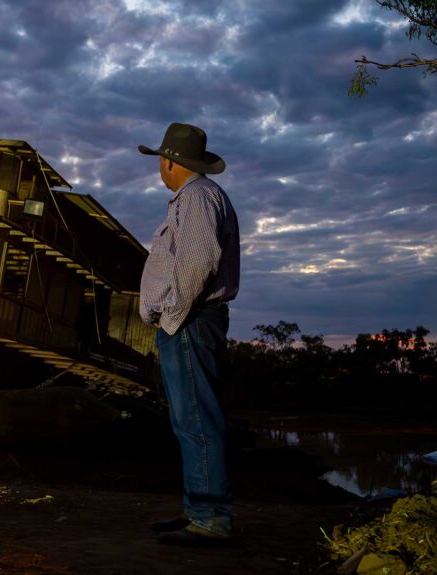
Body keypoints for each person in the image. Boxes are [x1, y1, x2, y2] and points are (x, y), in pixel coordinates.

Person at [137, 122, 240, 546]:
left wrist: (172, 316)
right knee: (190, 420)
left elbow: (197, 264)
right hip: (191, 320)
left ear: (169, 161)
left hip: (191, 320)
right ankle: (199, 511)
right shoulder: (195, 198)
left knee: (197, 419)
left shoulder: (197, 198)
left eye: (160, 160)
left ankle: (210, 518)